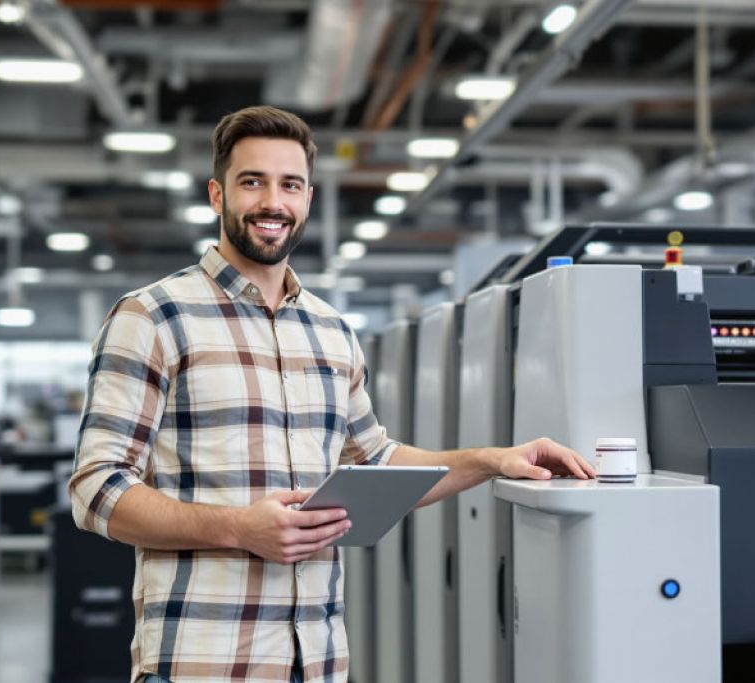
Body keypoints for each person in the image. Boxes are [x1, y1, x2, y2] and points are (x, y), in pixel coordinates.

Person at [69, 105, 595, 683]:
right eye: (253, 182)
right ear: (217, 196)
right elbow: (97, 489)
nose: (273, 202)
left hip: (316, 661)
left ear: (308, 200)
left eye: (289, 184)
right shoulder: (152, 317)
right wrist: (238, 528)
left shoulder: (331, 331)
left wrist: (494, 461)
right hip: (203, 662)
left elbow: (378, 461)